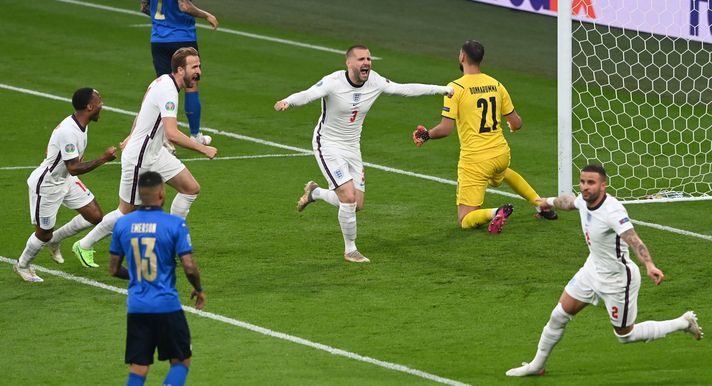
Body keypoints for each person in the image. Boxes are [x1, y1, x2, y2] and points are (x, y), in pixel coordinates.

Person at [506, 164, 703, 377]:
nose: (585, 187)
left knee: (625, 336)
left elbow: (634, 239)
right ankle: (537, 366)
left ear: (603, 185)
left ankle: (683, 323)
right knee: (558, 315)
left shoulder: (612, 211)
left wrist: (649, 264)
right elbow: (569, 202)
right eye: (582, 182)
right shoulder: (584, 199)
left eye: (591, 183)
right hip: (592, 270)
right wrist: (548, 201)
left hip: (617, 280)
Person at [274, 45, 453, 263]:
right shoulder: (333, 82)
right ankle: (350, 250)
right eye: (360, 59)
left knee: (356, 204)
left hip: (352, 147)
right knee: (348, 197)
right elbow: (309, 94)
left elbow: (404, 89)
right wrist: (288, 101)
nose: (366, 62)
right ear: (348, 63)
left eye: (368, 58)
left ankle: (315, 193)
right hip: (328, 144)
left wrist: (441, 89)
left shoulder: (375, 81)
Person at [73, 47, 218, 268]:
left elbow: (143, 112)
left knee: (190, 188)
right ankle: (84, 245)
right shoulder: (168, 91)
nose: (199, 72)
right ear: (180, 70)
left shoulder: (162, 81)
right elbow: (172, 133)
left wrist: (131, 135)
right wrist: (203, 149)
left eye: (199, 66)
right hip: (140, 159)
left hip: (155, 153)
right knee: (126, 213)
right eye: (194, 67)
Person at [412, 40, 557, 234]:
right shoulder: (496, 84)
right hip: (501, 154)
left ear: (462, 57)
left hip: (476, 161)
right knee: (503, 172)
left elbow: (446, 129)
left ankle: (496, 212)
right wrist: (512, 127)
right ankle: (540, 203)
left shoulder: (455, 88)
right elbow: (517, 122)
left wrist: (426, 135)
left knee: (464, 219)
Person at [108, 171, 205, 386]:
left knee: (139, 368)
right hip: (167, 306)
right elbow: (189, 266)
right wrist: (199, 288)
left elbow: (113, 269)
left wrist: (136, 274)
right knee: (181, 361)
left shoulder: (122, 225)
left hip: (137, 307)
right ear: (161, 193)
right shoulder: (174, 224)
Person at [13, 88, 116, 282]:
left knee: (94, 215)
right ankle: (23, 265)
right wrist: (103, 159)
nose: (102, 104)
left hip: (66, 179)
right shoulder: (69, 131)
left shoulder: (80, 124)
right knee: (43, 233)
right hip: (48, 185)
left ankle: (56, 240)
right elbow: (74, 168)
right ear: (89, 106)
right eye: (99, 101)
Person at [141, 0, 219, 148]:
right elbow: (184, 5)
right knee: (191, 85)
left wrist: (163, 20)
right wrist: (206, 15)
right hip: (183, 38)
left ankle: (164, 142)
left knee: (164, 88)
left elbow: (144, 7)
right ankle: (195, 135)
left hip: (159, 41)